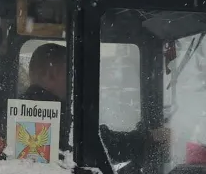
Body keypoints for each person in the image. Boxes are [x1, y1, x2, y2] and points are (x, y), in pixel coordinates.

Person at [20, 42, 167, 164]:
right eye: (69, 73)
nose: (74, 81)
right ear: (51, 74)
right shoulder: (53, 114)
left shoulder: (23, 109)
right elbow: (98, 146)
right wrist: (147, 139)